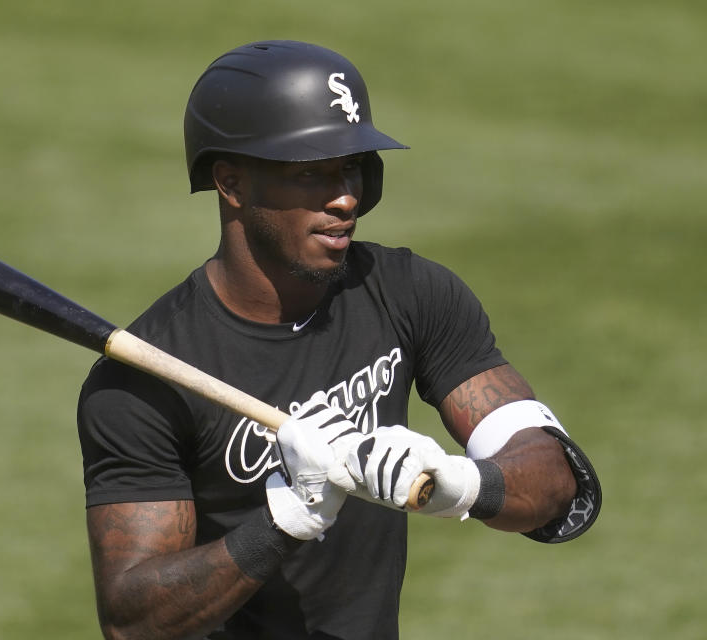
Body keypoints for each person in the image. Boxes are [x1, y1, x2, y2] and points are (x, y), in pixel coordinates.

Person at [76, 40, 601, 640]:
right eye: (310, 173)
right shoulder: (142, 378)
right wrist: (288, 518)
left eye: (351, 167)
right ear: (231, 182)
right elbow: (134, 620)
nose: (345, 197)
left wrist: (458, 484)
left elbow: (557, 481)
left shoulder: (406, 292)